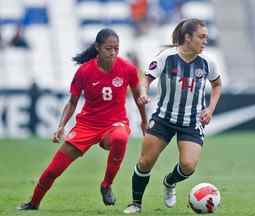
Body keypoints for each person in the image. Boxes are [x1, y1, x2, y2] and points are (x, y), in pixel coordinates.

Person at [17, 28, 147, 210]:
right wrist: (61, 126)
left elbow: (138, 97)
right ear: (98, 48)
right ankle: (33, 203)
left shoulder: (127, 69)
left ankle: (106, 185)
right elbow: (71, 102)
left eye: (116, 48)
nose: (113, 52)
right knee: (53, 169)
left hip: (114, 125)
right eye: (109, 48)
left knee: (120, 137)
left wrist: (144, 121)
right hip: (87, 126)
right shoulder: (84, 72)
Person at [123, 18, 222, 214]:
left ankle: (169, 182)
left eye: (206, 38)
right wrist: (143, 93)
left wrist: (210, 109)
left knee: (188, 166)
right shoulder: (166, 57)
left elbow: (217, 85)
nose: (205, 41)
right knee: (145, 162)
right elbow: (146, 79)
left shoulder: (208, 62)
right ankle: (136, 204)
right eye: (201, 37)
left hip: (191, 122)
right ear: (188, 37)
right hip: (163, 118)